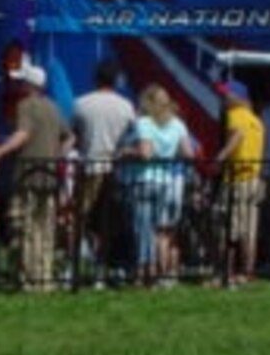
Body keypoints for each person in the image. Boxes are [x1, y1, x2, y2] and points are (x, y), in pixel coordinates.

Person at [0, 61, 67, 291]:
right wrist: (56, 156)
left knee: (23, 226)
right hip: (50, 176)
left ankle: (27, 276)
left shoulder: (26, 105)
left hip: (27, 175)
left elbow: (22, 134)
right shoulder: (54, 107)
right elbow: (70, 136)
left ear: (29, 84)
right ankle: (44, 276)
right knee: (45, 227)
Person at [70, 59, 137, 283]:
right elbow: (134, 134)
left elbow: (75, 136)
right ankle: (102, 268)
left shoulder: (81, 104)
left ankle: (75, 266)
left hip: (89, 166)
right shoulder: (125, 106)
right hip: (114, 168)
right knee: (108, 223)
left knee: (81, 219)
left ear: (96, 78)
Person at [128, 83, 195, 287]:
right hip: (166, 181)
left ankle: (144, 272)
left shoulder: (144, 122)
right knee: (157, 230)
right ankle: (155, 270)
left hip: (145, 179)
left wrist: (127, 152)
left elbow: (146, 153)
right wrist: (169, 154)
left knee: (143, 229)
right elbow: (188, 154)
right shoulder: (177, 124)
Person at [213, 81, 265, 285]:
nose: (223, 99)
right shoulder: (257, 120)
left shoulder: (235, 115)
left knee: (227, 228)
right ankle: (248, 272)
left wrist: (221, 156)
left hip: (237, 179)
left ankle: (226, 273)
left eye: (226, 95)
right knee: (249, 229)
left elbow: (237, 135)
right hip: (254, 179)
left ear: (237, 97)